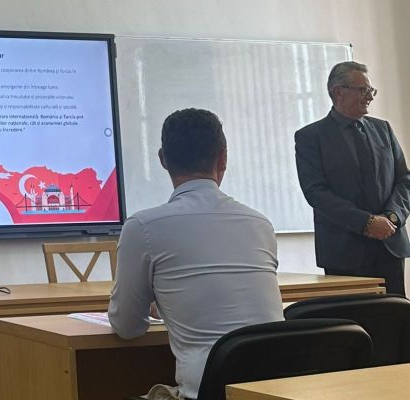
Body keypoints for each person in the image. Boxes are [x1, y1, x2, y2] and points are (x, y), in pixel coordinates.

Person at [108, 108, 284, 400]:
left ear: (163, 159)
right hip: (275, 389)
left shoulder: (143, 227)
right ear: (223, 158)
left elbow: (127, 327)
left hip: (205, 392)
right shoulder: (259, 223)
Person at [295, 61, 410, 296]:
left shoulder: (383, 129)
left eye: (371, 90)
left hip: (389, 246)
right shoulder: (311, 137)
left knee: (395, 316)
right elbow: (316, 193)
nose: (370, 96)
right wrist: (366, 223)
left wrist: (391, 217)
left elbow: (405, 181)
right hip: (344, 252)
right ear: (338, 92)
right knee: (353, 317)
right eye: (363, 90)